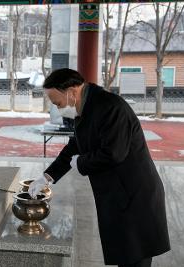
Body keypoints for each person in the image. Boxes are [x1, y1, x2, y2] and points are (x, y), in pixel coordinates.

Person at [28, 68, 170, 267]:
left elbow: (114, 152)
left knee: (136, 257)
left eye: (57, 103)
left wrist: (82, 163)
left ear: (72, 90)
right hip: (117, 194)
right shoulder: (84, 109)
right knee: (125, 254)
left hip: (135, 195)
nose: (58, 108)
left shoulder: (111, 107)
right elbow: (74, 146)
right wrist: (46, 177)